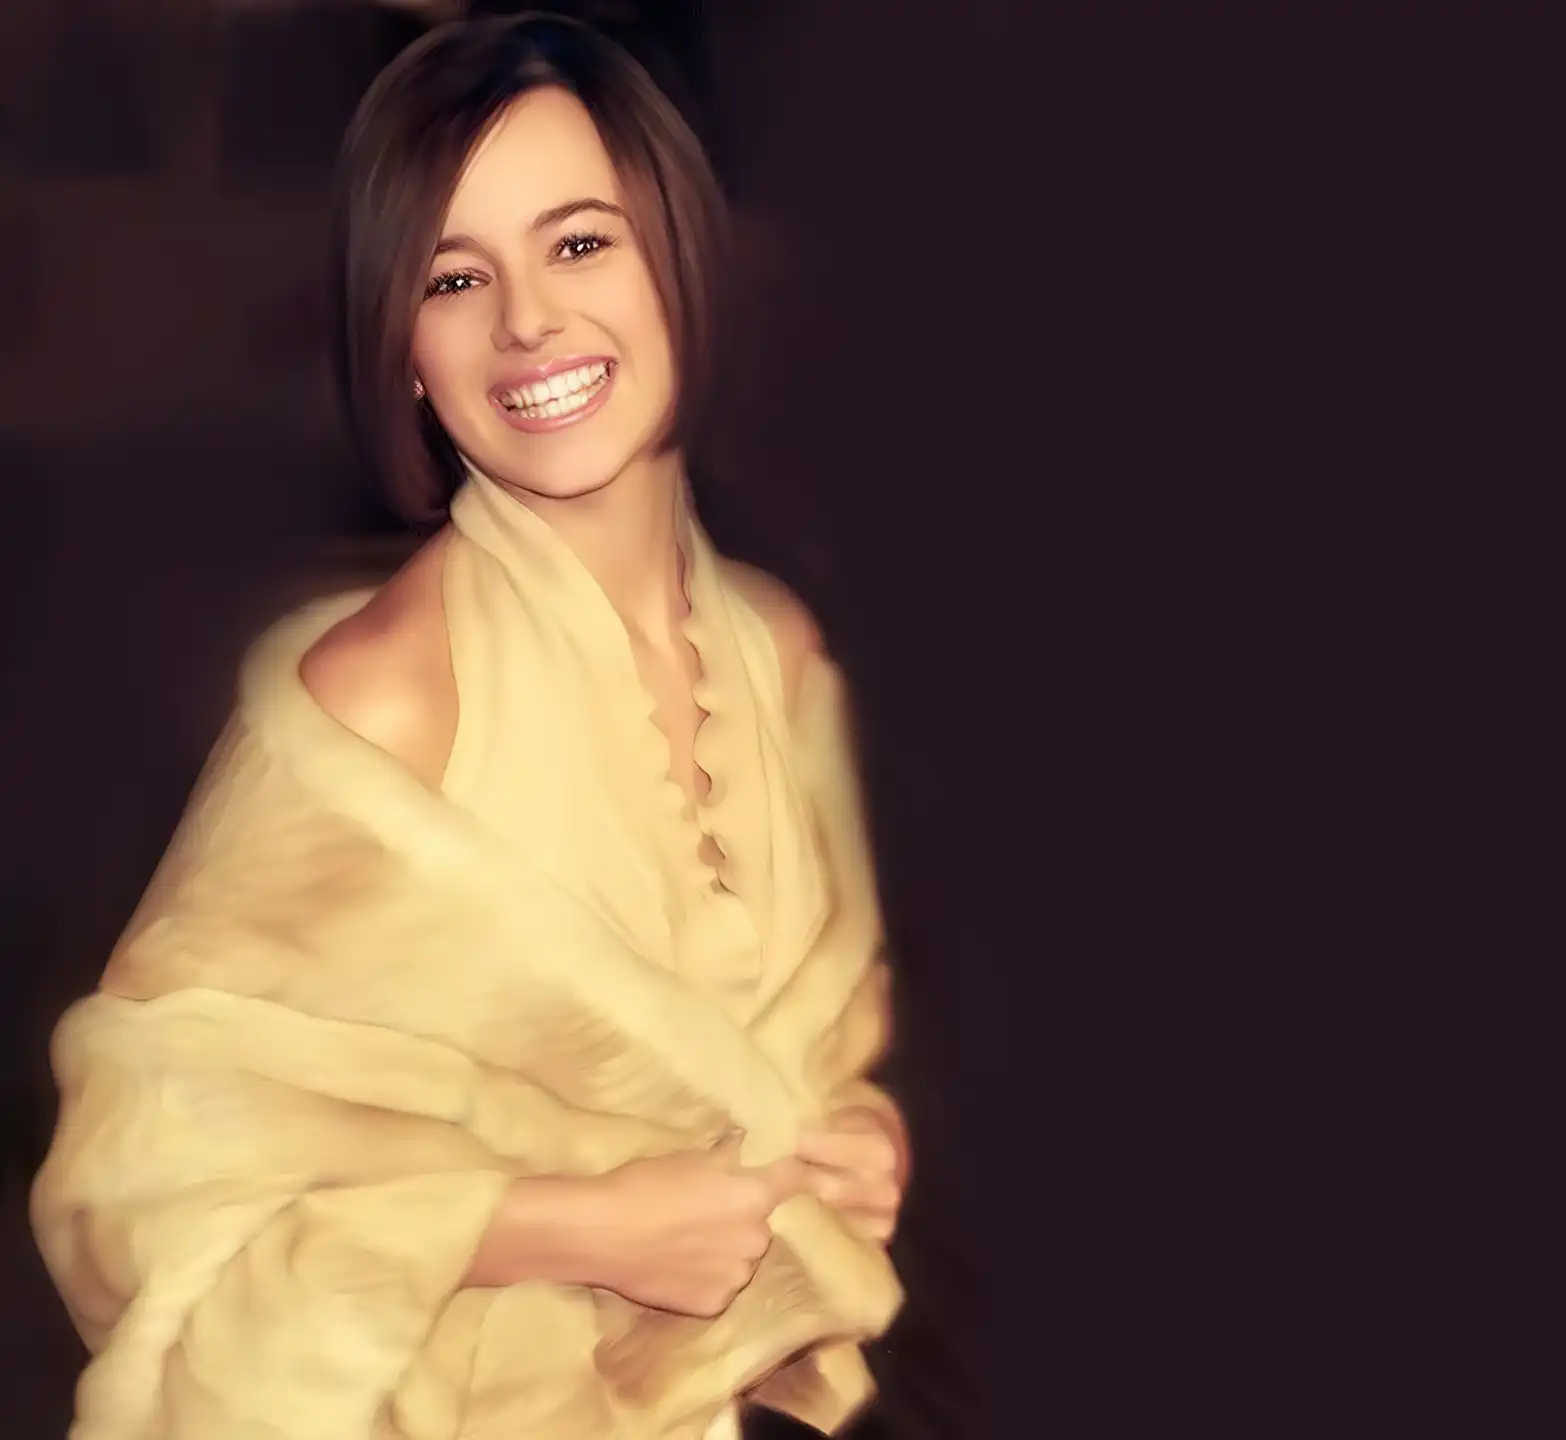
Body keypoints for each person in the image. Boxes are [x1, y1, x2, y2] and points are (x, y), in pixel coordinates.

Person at [31, 14, 909, 1440]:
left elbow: (796, 1051)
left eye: (580, 243)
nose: (527, 322)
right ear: (405, 350)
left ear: (680, 260)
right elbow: (138, 1183)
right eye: (454, 277)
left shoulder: (782, 653)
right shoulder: (379, 707)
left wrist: (853, 1144)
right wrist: (563, 1228)